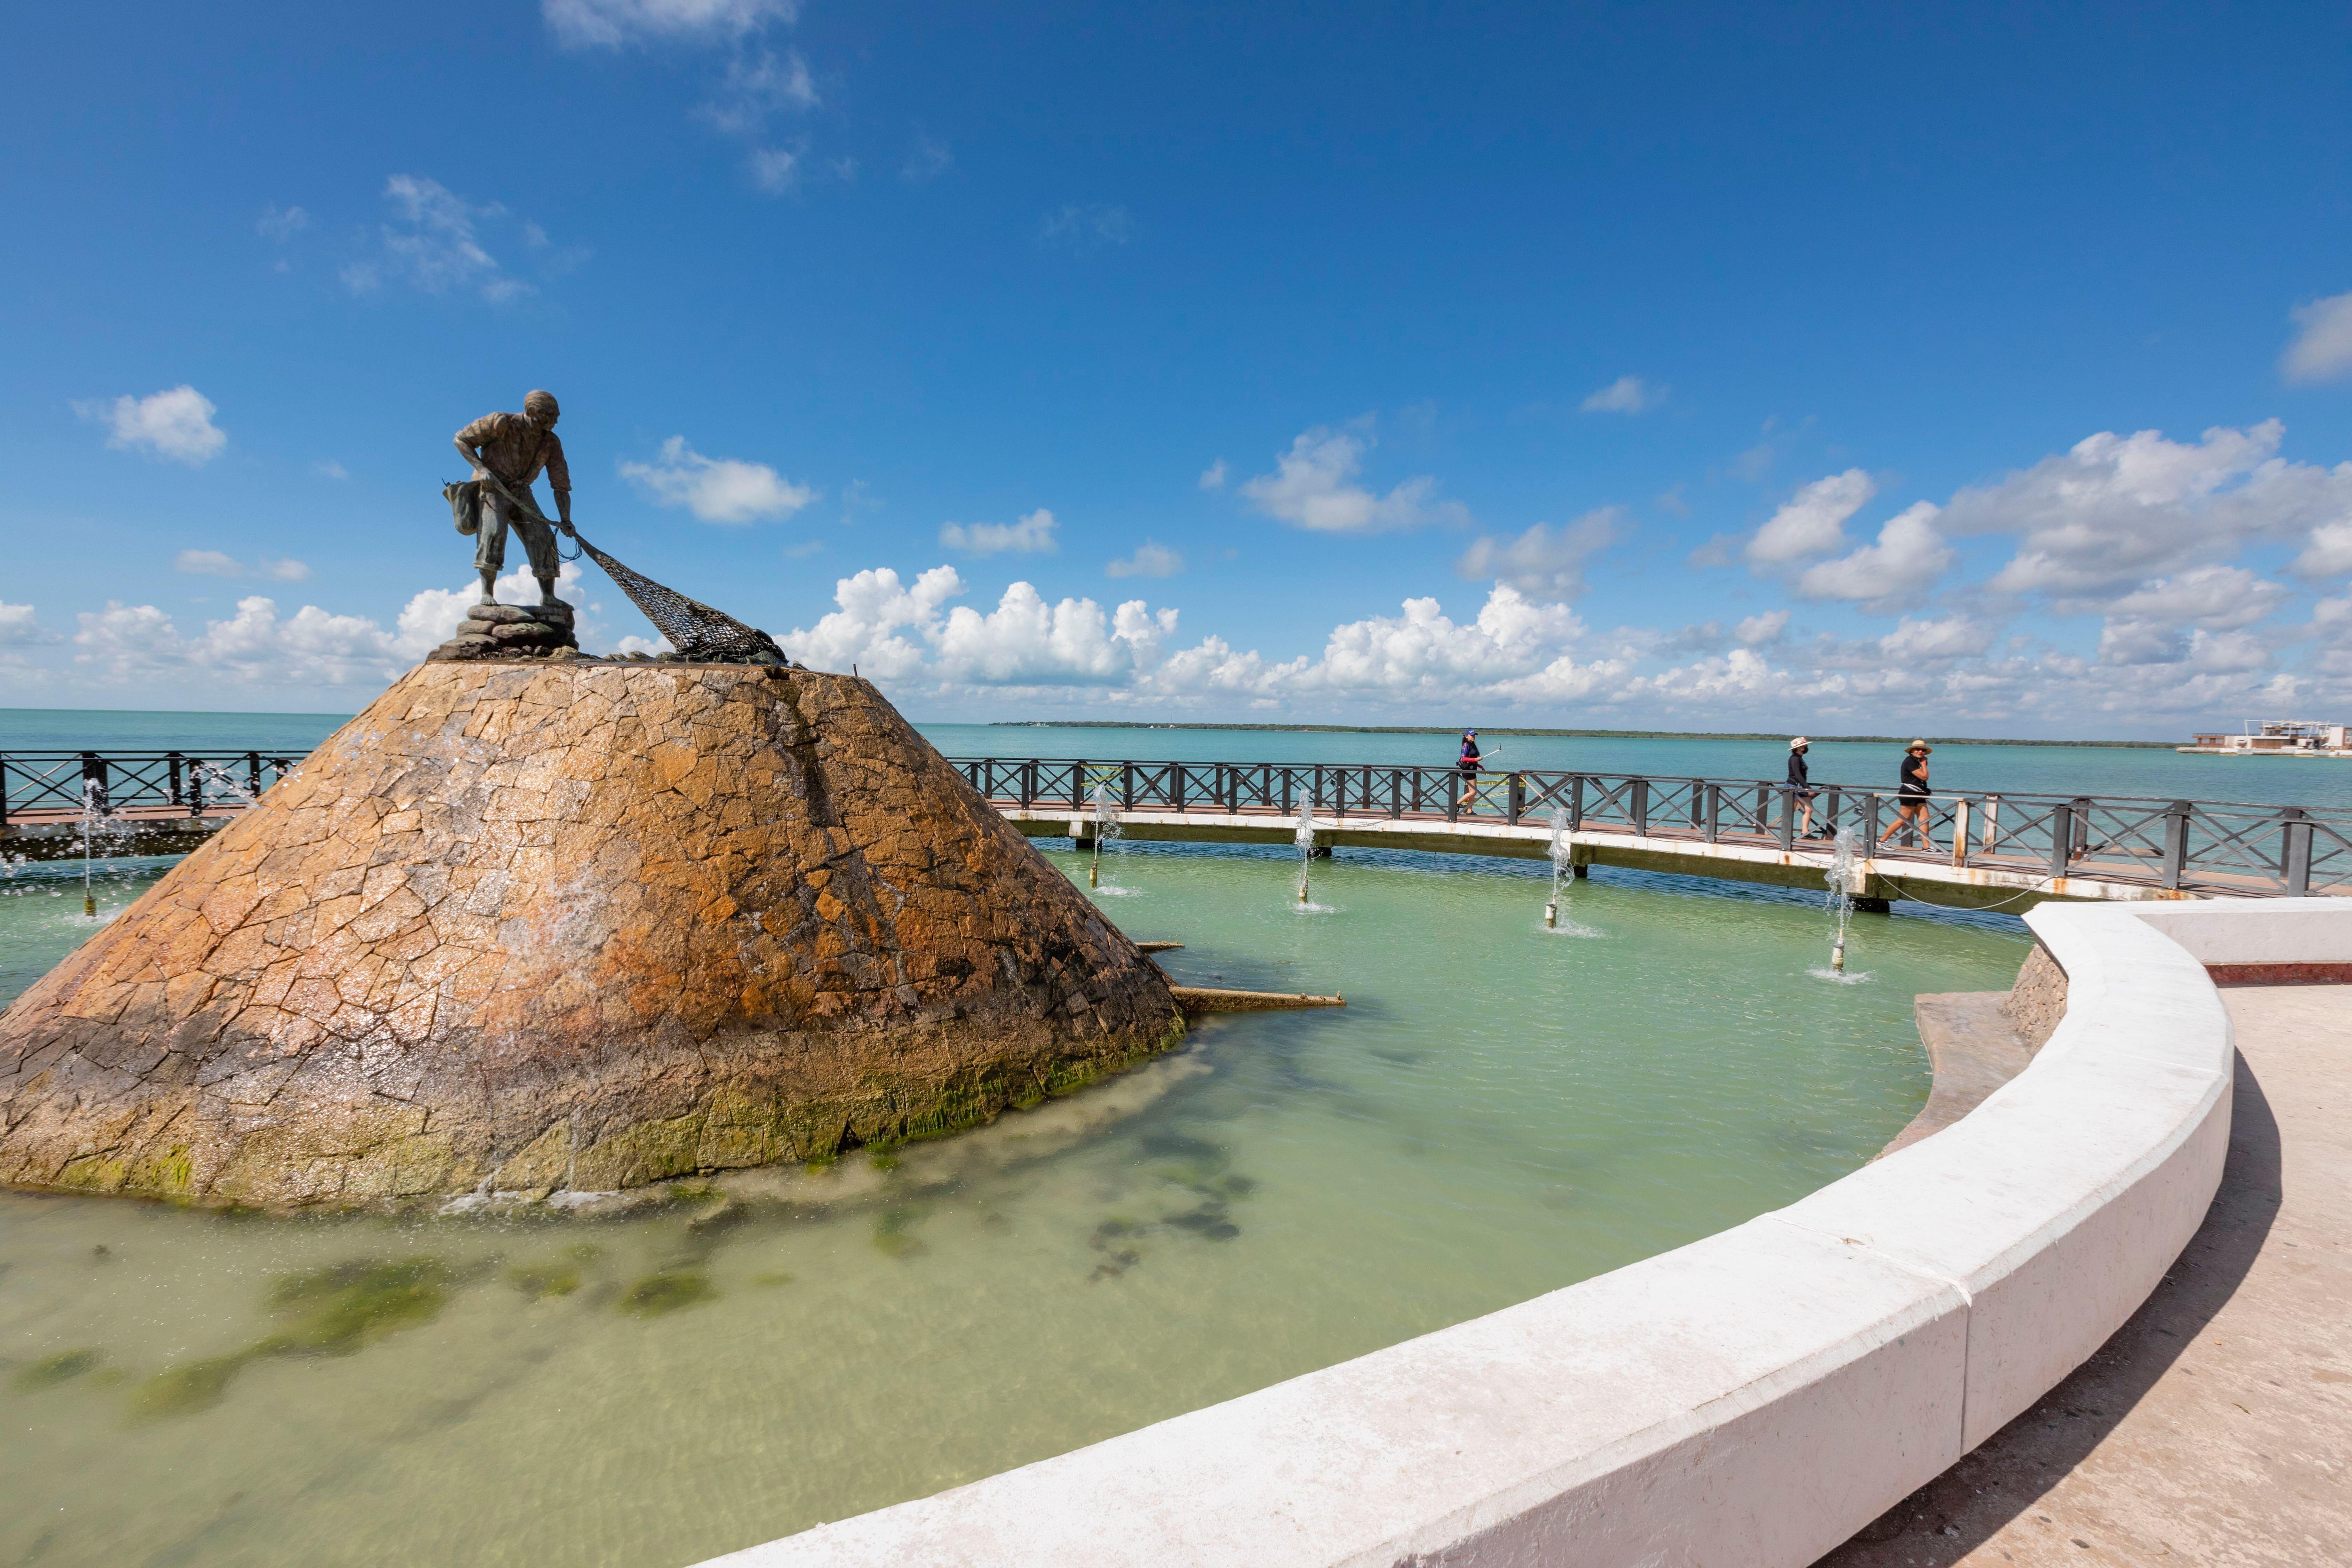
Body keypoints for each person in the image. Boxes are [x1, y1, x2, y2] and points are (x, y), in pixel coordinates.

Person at [453, 389, 572, 607]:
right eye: (549, 415)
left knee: (544, 538)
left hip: (521, 491)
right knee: (495, 531)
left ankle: (548, 595)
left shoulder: (550, 442)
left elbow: (561, 484)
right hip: (493, 486)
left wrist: (566, 519)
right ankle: (487, 592)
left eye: (556, 416)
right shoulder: (500, 422)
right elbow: (461, 440)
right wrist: (481, 469)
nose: (555, 420)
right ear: (531, 411)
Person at [1876, 739, 1938, 852]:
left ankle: (1926, 847)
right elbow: (1924, 777)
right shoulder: (1910, 761)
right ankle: (1882, 841)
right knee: (1903, 820)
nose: (1920, 751)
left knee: (1925, 820)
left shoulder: (1917, 762)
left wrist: (1922, 763)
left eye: (1923, 750)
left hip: (1919, 794)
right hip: (1909, 794)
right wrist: (1924, 765)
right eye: (1918, 749)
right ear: (1912, 751)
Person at [1786, 737, 1820, 838]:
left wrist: (1805, 787)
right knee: (1790, 811)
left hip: (1800, 787)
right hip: (1793, 787)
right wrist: (1808, 788)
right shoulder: (1795, 759)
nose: (1806, 747)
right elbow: (1797, 775)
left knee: (1809, 809)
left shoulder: (1799, 758)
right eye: (1805, 746)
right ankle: (1787, 834)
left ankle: (1805, 833)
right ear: (1800, 748)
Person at [1456, 729, 1483, 808]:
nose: (1474, 737)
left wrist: (1480, 766)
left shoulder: (1472, 745)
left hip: (1473, 770)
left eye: (1474, 735)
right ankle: (1456, 804)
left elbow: (1472, 759)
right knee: (1474, 792)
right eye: (1472, 735)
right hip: (1468, 771)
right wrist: (1476, 760)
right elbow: (1463, 759)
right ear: (1466, 736)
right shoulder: (1466, 745)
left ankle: (1469, 810)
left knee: (1473, 792)